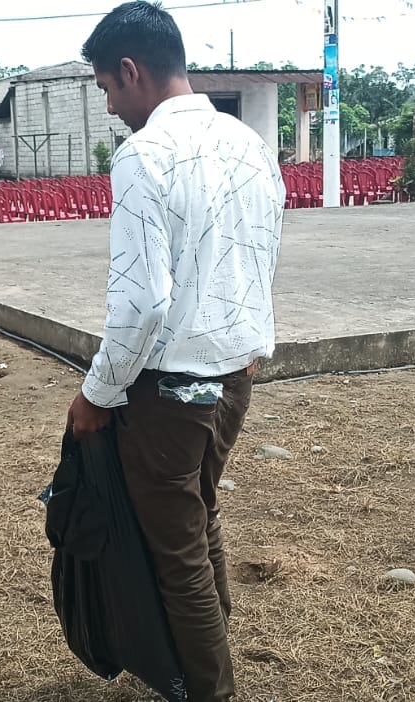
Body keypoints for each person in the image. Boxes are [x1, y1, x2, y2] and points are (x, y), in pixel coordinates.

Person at [66, 3, 285, 699]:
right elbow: (261, 258)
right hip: (234, 378)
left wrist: (96, 393)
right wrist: (245, 349)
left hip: (169, 392)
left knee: (178, 554)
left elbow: (141, 302)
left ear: (131, 71)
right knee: (198, 517)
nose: (109, 106)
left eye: (106, 87)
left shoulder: (144, 155)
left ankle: (209, 688)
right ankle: (206, 649)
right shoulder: (250, 145)